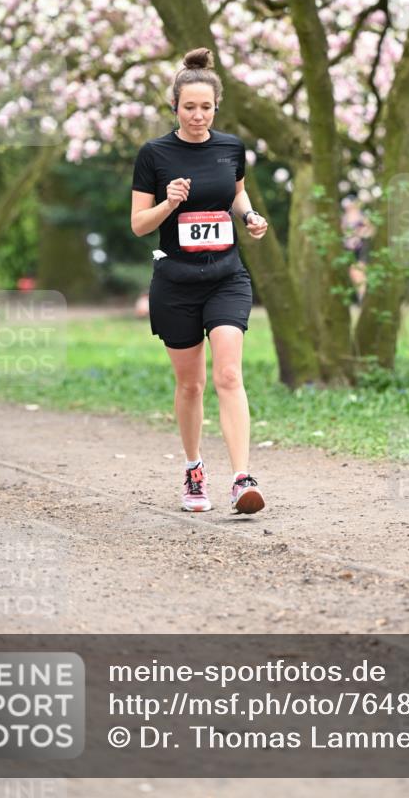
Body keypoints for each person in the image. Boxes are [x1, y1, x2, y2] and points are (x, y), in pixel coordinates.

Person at [131, 48, 269, 515]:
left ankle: (241, 478)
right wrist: (169, 204)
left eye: (206, 107)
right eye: (189, 107)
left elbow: (236, 192)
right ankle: (194, 469)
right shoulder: (154, 154)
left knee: (229, 374)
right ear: (175, 107)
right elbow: (138, 225)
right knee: (190, 386)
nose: (197, 115)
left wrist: (249, 215)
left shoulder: (231, 148)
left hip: (227, 277)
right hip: (176, 282)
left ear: (216, 107)